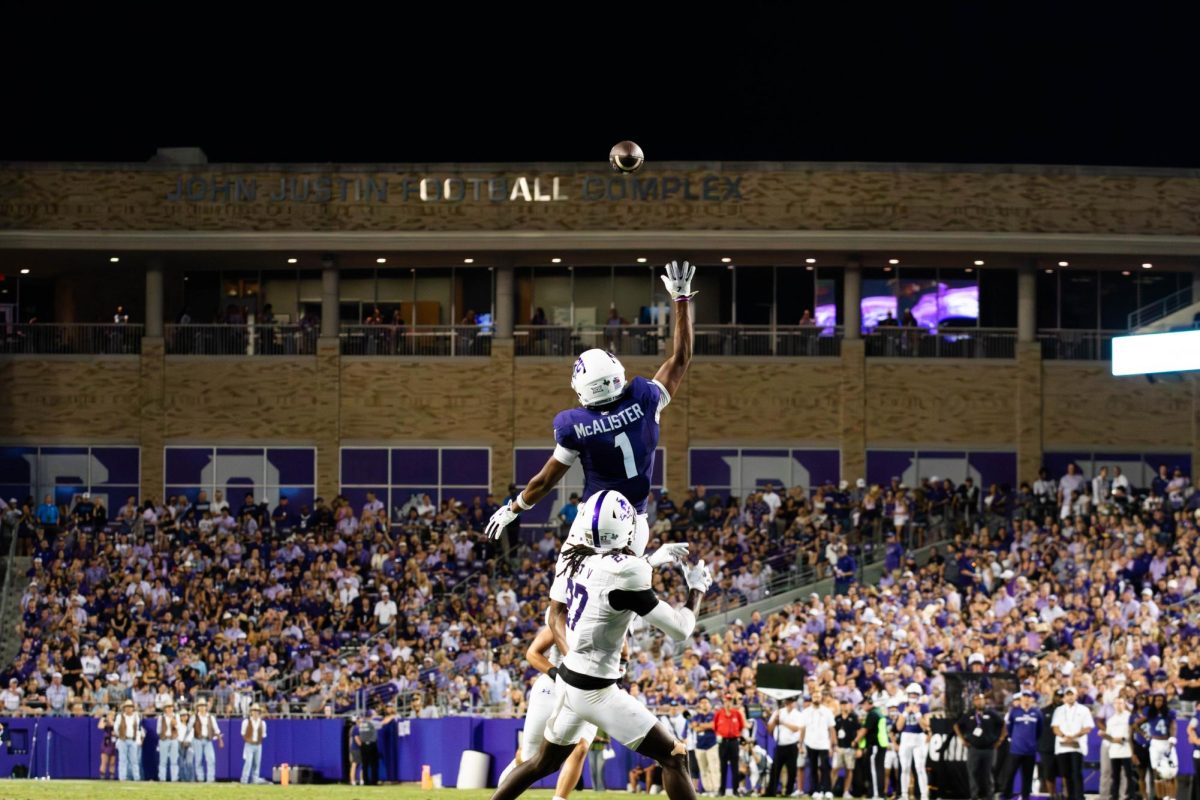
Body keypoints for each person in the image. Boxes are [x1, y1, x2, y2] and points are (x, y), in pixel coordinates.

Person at [489, 489, 712, 800]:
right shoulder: (627, 571)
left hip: (569, 680)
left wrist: (652, 561)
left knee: (541, 762)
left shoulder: (573, 556)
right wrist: (698, 589)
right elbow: (680, 629)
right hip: (596, 690)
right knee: (674, 754)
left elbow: (606, 579)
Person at [487, 260, 695, 558]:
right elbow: (681, 358)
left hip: (591, 517)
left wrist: (514, 508)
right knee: (620, 597)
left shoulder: (575, 425)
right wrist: (681, 300)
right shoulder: (645, 399)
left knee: (561, 603)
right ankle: (650, 564)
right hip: (634, 522)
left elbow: (545, 481)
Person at [498, 614, 596, 800]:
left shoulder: (604, 620)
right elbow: (532, 653)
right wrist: (558, 674)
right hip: (552, 687)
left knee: (580, 746)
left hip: (586, 691)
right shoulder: (566, 618)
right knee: (529, 758)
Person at [955, 692, 1006, 800]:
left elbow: (1003, 724)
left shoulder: (991, 713)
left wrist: (1000, 739)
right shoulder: (969, 714)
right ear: (974, 702)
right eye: (977, 699)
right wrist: (962, 739)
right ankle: (974, 796)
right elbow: (956, 725)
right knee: (973, 773)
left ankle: (989, 796)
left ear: (985, 701)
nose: (979, 701)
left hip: (989, 749)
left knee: (988, 774)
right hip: (974, 749)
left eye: (981, 699)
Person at [999, 690, 1043, 800]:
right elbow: (1009, 728)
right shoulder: (1014, 712)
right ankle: (1006, 796)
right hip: (1016, 750)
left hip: (1030, 750)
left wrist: (1032, 742)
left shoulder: (1037, 713)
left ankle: (1025, 796)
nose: (1026, 699)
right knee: (1010, 774)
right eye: (1024, 697)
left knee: (1027, 776)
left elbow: (1039, 730)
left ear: (1032, 699)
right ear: (1021, 698)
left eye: (1029, 697)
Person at [1052, 687, 1094, 800]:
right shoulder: (1059, 710)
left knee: (1076, 772)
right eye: (1068, 695)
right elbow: (1055, 727)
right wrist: (1064, 737)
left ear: (1076, 696)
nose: (1070, 697)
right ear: (1064, 697)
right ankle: (1070, 796)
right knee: (1066, 773)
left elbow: (1088, 727)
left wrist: (1074, 737)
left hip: (1077, 746)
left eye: (1072, 695)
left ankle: (1079, 796)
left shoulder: (1084, 709)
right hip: (1062, 746)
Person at [797, 688, 838, 799]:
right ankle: (816, 790)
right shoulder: (805, 712)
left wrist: (833, 745)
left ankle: (827, 790)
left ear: (821, 698)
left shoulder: (827, 711)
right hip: (810, 743)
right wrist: (800, 745)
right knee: (813, 767)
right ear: (812, 698)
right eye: (815, 697)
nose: (817, 699)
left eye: (819, 697)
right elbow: (803, 729)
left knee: (825, 767)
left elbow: (832, 729)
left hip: (824, 743)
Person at [896, 683, 930, 800]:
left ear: (919, 695)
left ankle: (924, 795)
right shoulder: (902, 706)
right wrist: (905, 713)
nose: (913, 696)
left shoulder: (924, 707)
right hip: (906, 737)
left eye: (915, 694)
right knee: (905, 767)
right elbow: (899, 727)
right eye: (911, 694)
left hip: (919, 737)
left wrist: (917, 714)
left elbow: (926, 727)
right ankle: (904, 794)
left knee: (920, 767)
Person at [1140, 692, 1177, 800]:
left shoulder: (1169, 713)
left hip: (1167, 742)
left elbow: (1173, 725)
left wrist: (1172, 738)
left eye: (1161, 700)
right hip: (1155, 743)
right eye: (1156, 700)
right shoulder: (1150, 712)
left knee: (1172, 772)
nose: (1158, 702)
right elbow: (1136, 724)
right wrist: (1144, 734)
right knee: (1157, 771)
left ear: (1164, 701)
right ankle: (1161, 797)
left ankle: (1172, 797)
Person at [765, 696, 803, 797]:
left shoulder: (798, 714)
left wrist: (782, 722)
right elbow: (769, 728)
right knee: (775, 769)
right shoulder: (778, 712)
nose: (789, 704)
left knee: (792, 770)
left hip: (792, 745)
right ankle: (771, 792)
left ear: (794, 703)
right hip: (780, 745)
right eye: (788, 702)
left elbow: (796, 728)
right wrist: (775, 721)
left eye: (791, 702)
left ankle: (788, 792)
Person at [1103, 696, 1137, 800]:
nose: (1119, 705)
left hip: (1127, 750)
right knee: (1115, 776)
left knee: (1129, 775)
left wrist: (1120, 739)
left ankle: (1132, 796)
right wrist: (1109, 740)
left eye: (1121, 703)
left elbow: (1131, 734)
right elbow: (1108, 736)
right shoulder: (1111, 720)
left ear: (1124, 704)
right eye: (1117, 703)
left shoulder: (1129, 717)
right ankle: (1114, 796)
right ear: (1114, 705)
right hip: (1114, 752)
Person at [857, 696, 890, 800]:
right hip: (880, 745)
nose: (862, 706)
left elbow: (865, 729)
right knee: (877, 769)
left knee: (875, 770)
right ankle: (877, 793)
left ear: (868, 703)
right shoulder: (878, 712)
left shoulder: (872, 713)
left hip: (876, 745)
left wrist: (855, 741)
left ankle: (876, 794)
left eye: (863, 704)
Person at [715, 693, 747, 796]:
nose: (728, 703)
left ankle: (735, 790)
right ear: (724, 702)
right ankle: (722, 790)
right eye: (726, 701)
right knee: (722, 767)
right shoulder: (719, 714)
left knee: (734, 767)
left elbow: (741, 727)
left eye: (730, 701)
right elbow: (715, 727)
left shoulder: (737, 714)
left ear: (732, 702)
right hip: (723, 742)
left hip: (734, 742)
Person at [692, 697, 720, 796]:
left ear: (710, 704)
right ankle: (708, 790)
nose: (704, 704)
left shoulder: (714, 715)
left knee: (714, 768)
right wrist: (704, 726)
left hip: (711, 744)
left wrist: (700, 725)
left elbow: (713, 726)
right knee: (703, 769)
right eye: (702, 702)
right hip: (699, 745)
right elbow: (694, 728)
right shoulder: (696, 716)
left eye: (706, 702)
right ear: (699, 704)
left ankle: (716, 789)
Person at [192, 697, 224, 782]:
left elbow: (216, 729)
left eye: (203, 706)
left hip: (207, 740)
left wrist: (220, 740)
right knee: (198, 760)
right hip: (197, 740)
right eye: (200, 706)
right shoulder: (194, 717)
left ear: (206, 707)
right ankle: (200, 778)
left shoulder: (210, 717)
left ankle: (210, 779)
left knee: (211, 759)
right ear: (198, 707)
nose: (202, 707)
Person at [114, 699, 141, 781]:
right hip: (123, 740)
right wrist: (121, 736)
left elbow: (137, 729)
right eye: (127, 707)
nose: (129, 709)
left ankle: (136, 777)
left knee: (134, 760)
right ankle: (122, 777)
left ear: (133, 708)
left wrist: (137, 740)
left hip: (132, 740)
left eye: (130, 707)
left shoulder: (136, 716)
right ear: (124, 708)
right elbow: (115, 728)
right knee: (123, 760)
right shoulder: (120, 716)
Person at [240, 703, 267, 784]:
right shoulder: (246, 722)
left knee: (257, 763)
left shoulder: (262, 723)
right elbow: (243, 733)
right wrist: (248, 740)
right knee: (248, 762)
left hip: (258, 745)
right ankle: (244, 780)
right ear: (251, 712)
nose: (255, 712)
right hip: (249, 744)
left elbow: (263, 735)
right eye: (254, 710)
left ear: (259, 712)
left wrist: (258, 741)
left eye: (257, 711)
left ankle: (255, 780)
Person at [156, 699, 181, 782]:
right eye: (168, 707)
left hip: (173, 739)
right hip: (164, 739)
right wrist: (163, 735)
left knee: (174, 760)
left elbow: (179, 728)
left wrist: (175, 725)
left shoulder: (176, 716)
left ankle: (174, 778)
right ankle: (162, 778)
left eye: (171, 707)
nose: (170, 709)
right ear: (165, 709)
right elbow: (158, 730)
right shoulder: (161, 717)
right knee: (163, 761)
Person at [98, 711, 117, 780]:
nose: (112, 716)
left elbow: (115, 727)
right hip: (106, 742)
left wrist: (111, 722)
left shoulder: (116, 722)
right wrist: (104, 719)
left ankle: (112, 776)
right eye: (110, 715)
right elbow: (100, 726)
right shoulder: (104, 720)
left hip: (114, 743)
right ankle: (102, 776)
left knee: (112, 762)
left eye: (113, 715)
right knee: (104, 761)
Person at [177, 708, 195, 782]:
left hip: (189, 745)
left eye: (185, 715)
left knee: (189, 762)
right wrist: (181, 742)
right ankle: (183, 779)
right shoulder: (178, 725)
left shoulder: (190, 727)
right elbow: (177, 735)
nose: (184, 717)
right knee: (181, 763)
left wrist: (187, 742)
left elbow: (191, 736)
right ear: (180, 717)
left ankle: (191, 779)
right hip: (180, 744)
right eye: (182, 715)